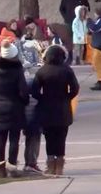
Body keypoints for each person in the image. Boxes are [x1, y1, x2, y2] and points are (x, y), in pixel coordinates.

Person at [32, 45, 79, 176]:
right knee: (61, 137)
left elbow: (34, 91)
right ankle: (60, 165)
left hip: (46, 108)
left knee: (49, 138)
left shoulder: (42, 71)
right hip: (63, 108)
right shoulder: (67, 70)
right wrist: (67, 98)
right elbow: (75, 88)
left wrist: (42, 98)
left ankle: (50, 164)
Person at [0, 42, 29, 178]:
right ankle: (12, 166)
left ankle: (1, 169)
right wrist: (24, 102)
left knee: (0, 138)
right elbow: (23, 91)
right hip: (15, 107)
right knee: (14, 139)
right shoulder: (17, 70)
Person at [59, 0, 90, 65]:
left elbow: (87, 8)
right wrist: (66, 17)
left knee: (82, 44)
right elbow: (61, 9)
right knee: (71, 41)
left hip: (81, 23)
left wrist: (85, 17)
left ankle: (82, 58)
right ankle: (71, 58)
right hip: (69, 23)